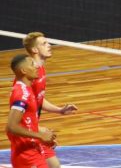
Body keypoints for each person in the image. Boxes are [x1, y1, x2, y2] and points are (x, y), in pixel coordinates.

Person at [23, 32, 78, 168]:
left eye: (48, 42)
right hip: (25, 134)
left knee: (54, 165)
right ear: (35, 50)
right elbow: (18, 111)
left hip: (34, 130)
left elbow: (38, 99)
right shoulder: (29, 74)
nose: (49, 46)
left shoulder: (40, 69)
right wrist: (37, 131)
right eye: (44, 44)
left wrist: (59, 110)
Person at [7, 54, 56, 168]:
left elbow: (19, 125)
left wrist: (42, 137)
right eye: (32, 65)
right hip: (27, 156)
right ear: (24, 70)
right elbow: (11, 127)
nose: (37, 67)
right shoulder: (22, 94)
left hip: (32, 149)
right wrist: (39, 135)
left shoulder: (28, 89)